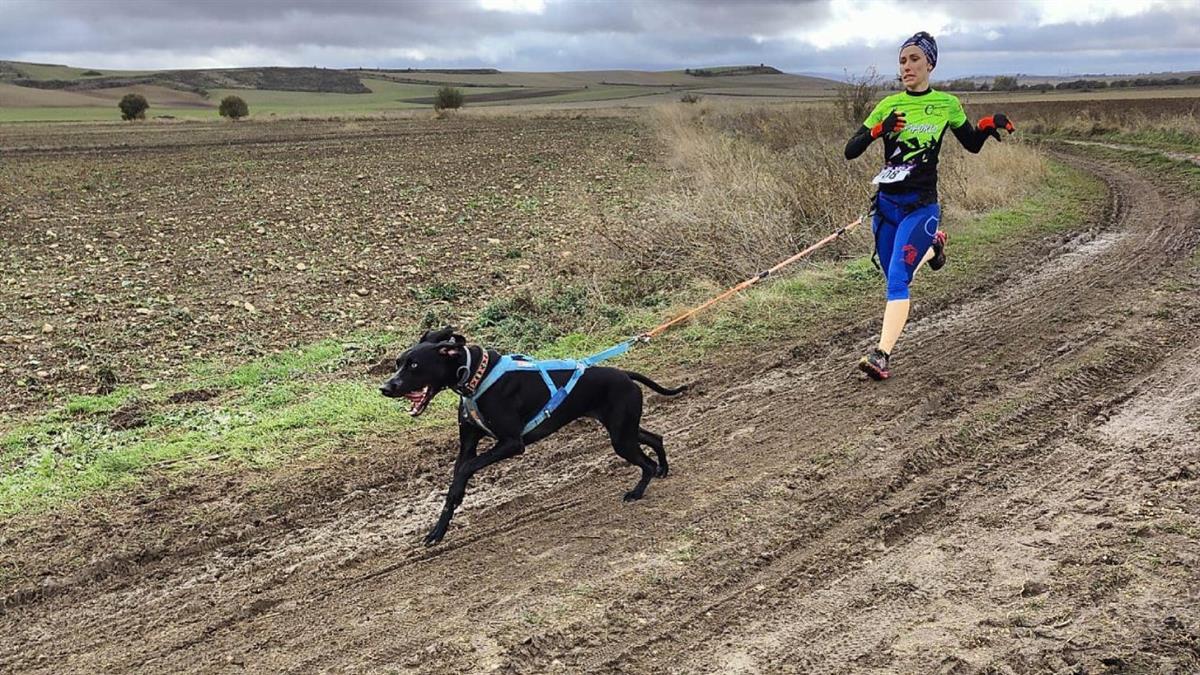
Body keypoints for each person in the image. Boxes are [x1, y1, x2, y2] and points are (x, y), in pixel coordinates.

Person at [844, 31, 1015, 380]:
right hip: (887, 206)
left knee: (897, 281)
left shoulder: (946, 104)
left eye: (914, 60)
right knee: (895, 275)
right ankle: (934, 248)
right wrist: (880, 129)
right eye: (903, 61)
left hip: (921, 206)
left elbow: (970, 143)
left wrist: (985, 126)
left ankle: (881, 356)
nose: (906, 66)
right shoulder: (889, 105)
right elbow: (851, 149)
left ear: (930, 64)